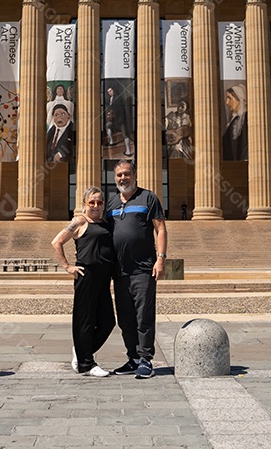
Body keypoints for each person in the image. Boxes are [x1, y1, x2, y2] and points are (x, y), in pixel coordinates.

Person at [105, 159, 166, 379]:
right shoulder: (111, 203)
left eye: (127, 174)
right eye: (119, 175)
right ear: (115, 178)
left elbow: (160, 229)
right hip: (119, 271)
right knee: (125, 318)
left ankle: (146, 359)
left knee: (143, 316)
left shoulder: (148, 197)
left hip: (143, 269)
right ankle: (132, 358)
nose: (123, 178)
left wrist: (160, 259)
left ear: (135, 174)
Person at [50, 187, 116, 378]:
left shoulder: (105, 223)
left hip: (104, 277)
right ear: (85, 204)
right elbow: (56, 242)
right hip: (86, 275)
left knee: (108, 322)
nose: (96, 206)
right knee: (85, 321)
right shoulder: (79, 221)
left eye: (99, 202)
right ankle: (86, 363)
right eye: (92, 202)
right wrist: (67, 266)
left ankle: (81, 351)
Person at [222, 84, 248, 161]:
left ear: (239, 99)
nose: (227, 102)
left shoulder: (246, 118)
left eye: (230, 98)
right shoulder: (234, 120)